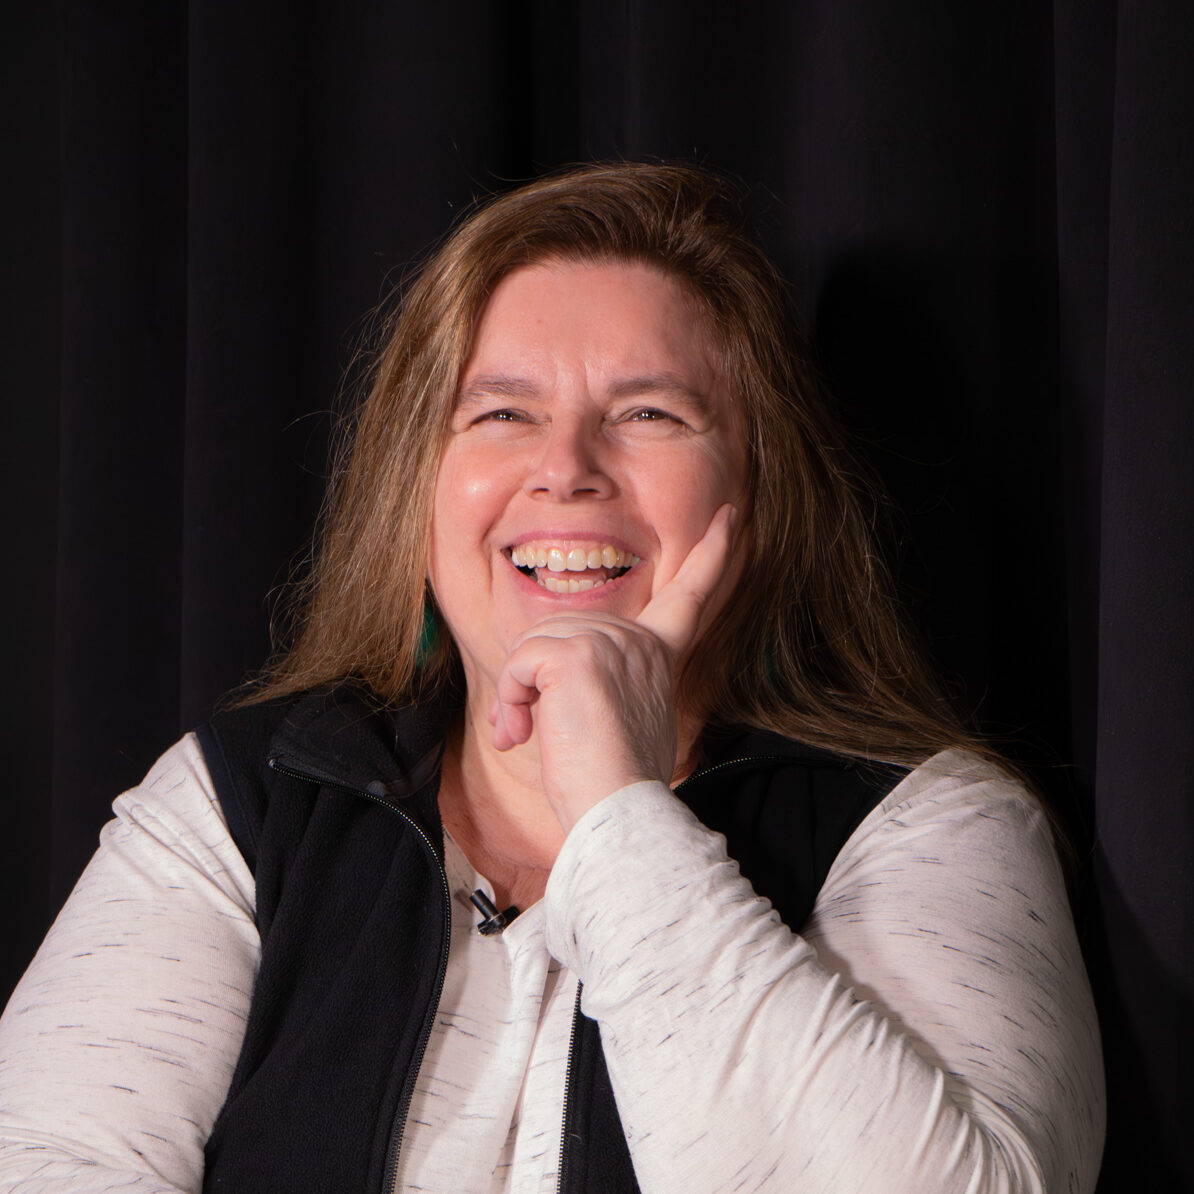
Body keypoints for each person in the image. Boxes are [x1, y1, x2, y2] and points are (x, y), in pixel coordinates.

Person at [0, 163, 1104, 1193]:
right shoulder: (241, 805)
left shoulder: (931, 826)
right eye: (502, 413)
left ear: (760, 492)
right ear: (418, 485)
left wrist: (620, 817)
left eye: (648, 414)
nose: (566, 470)